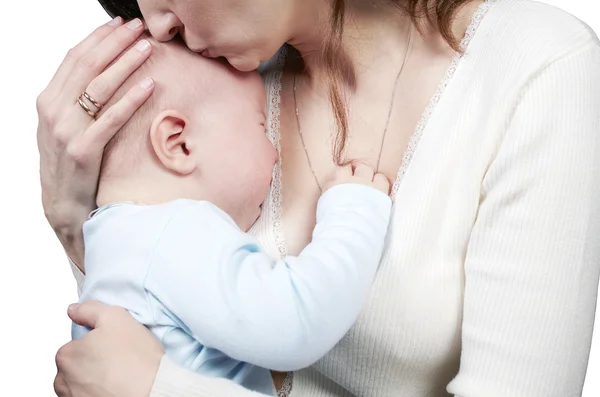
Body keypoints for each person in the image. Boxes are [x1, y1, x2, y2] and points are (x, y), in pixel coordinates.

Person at [37, 0, 600, 396]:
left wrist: (166, 391)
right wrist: (75, 225)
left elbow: (144, 377)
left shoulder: (539, 67)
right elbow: (138, 339)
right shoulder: (222, 89)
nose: (155, 23)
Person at [71, 33, 392, 396]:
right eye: (260, 125)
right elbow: (293, 324)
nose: (275, 151)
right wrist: (354, 214)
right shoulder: (172, 235)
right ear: (178, 143)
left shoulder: (110, 245)